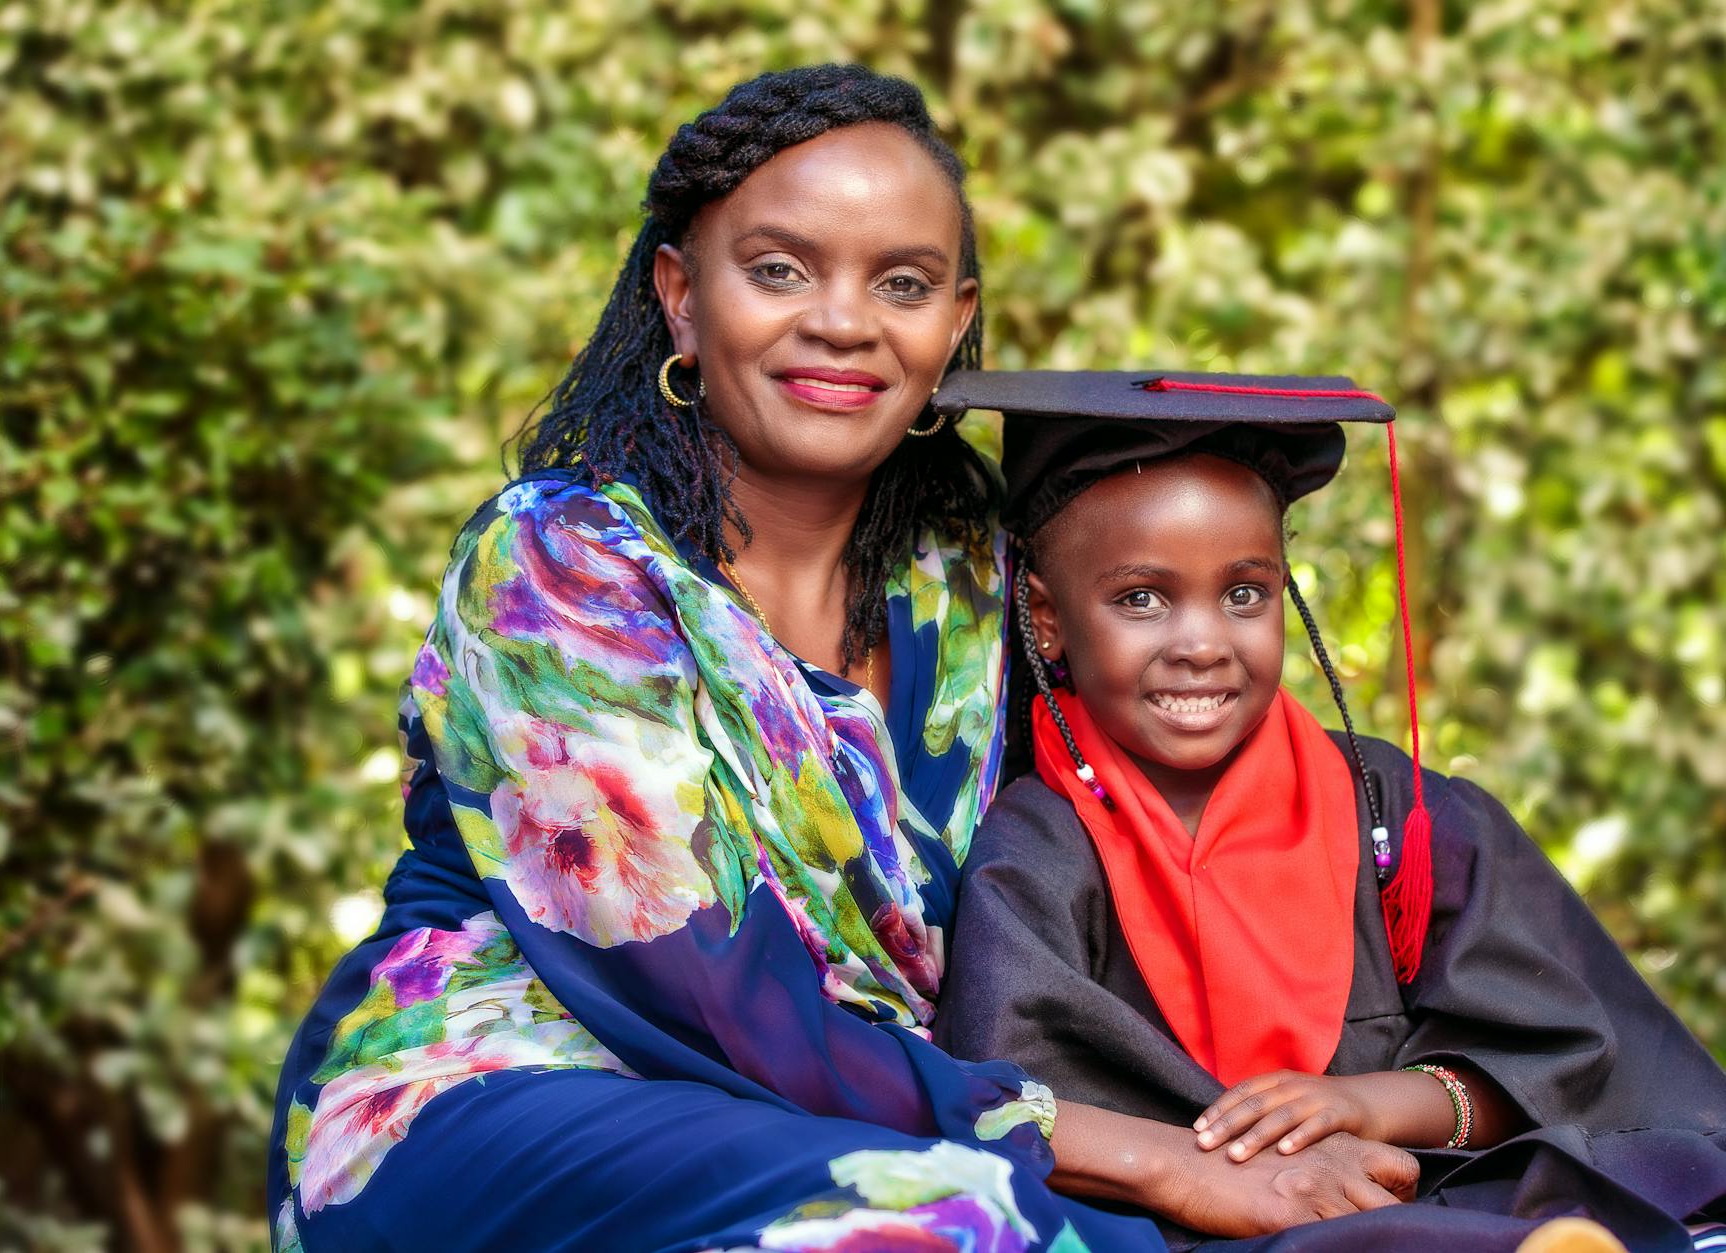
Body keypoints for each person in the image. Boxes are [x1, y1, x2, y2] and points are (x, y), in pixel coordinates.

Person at [266, 69, 1422, 1253]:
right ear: (679, 293)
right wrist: (1135, 1150)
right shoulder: (562, 565)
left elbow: (1134, 809)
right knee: (984, 1221)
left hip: (885, 1106)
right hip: (517, 1090)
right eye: (778, 269)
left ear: (954, 320)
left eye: (903, 283)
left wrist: (1377, 1075)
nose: (842, 320)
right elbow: (713, 998)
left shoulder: (967, 574)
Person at [930, 368, 1726, 1252]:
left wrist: (1367, 1104)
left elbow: (1563, 1060)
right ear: (1047, 615)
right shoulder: (1040, 845)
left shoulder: (1395, 808)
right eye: (1142, 598)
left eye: (1245, 593)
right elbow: (1024, 1094)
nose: (1202, 643)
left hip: (1434, 1185)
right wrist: (1268, 1160)